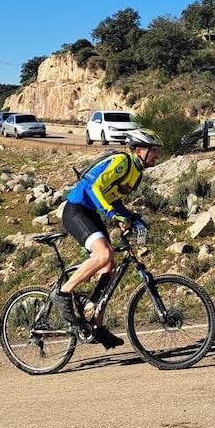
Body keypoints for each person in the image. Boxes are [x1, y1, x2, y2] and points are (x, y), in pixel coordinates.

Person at [51, 128, 165, 349]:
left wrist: (131, 217)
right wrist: (113, 216)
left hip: (91, 213)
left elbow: (114, 199)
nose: (157, 155)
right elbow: (95, 187)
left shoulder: (137, 173)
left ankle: (96, 323)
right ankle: (64, 292)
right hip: (76, 210)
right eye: (154, 151)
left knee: (110, 266)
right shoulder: (122, 162)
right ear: (140, 150)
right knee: (104, 254)